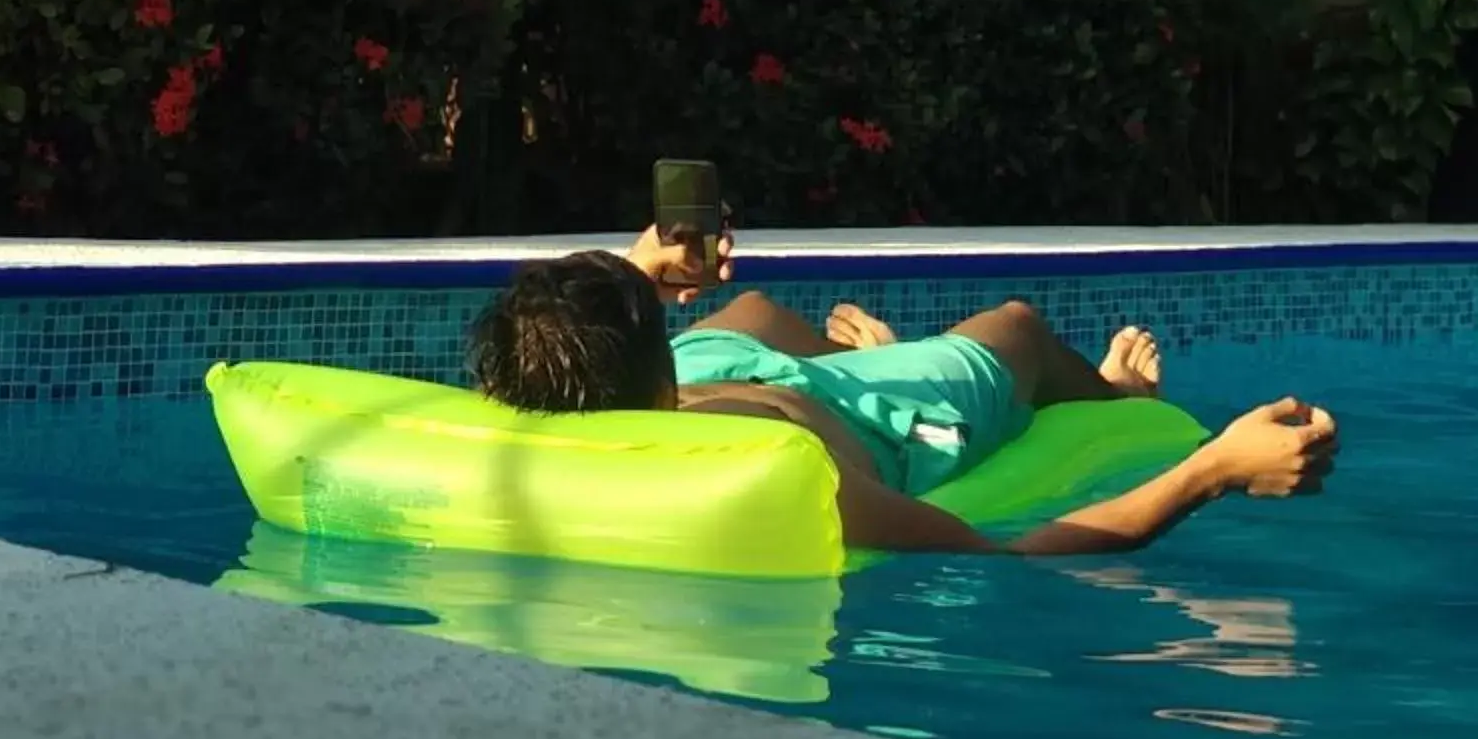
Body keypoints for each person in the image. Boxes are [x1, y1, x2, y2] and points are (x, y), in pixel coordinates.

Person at [469, 219, 1337, 556]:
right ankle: (1115, 395)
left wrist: (639, 273)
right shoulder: (782, 477)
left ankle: (864, 357)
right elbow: (1008, 558)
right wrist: (1212, 470)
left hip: (720, 380)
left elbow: (581, 352)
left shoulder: (526, 408)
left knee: (757, 308)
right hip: (873, 425)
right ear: (646, 375)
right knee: (1019, 329)